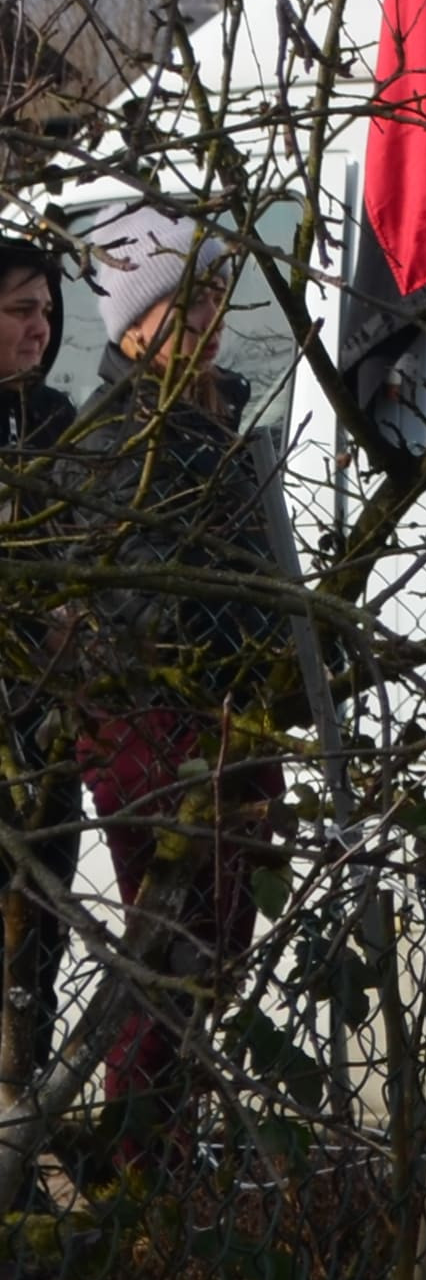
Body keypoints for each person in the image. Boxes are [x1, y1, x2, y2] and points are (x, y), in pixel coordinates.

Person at [35, 212, 296, 1165]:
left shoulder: (213, 419)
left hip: (229, 712)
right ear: (133, 323)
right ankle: (137, 1150)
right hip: (163, 720)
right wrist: (232, 690)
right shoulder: (123, 439)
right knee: (180, 925)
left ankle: (152, 1142)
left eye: (216, 294)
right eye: (185, 301)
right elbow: (142, 603)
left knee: (212, 932)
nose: (209, 317)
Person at [0, 236, 80, 1105]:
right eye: (22, 310)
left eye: (48, 313)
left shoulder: (57, 420)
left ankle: (19, 1125)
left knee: (39, 931)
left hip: (46, 722)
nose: (41, 328)